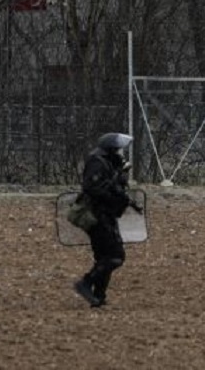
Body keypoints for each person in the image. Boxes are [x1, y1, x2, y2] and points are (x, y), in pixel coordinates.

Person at [73, 132, 140, 308]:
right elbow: (92, 188)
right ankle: (86, 283)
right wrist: (114, 193)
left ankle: (98, 296)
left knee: (104, 256)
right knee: (115, 256)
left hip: (106, 214)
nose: (119, 153)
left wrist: (121, 185)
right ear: (110, 149)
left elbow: (113, 184)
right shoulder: (97, 162)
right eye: (117, 149)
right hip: (96, 215)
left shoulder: (109, 162)